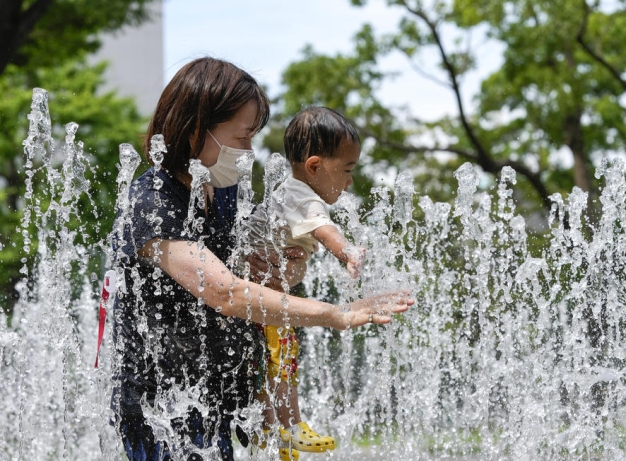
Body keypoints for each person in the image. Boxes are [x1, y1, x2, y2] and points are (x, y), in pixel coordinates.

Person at [109, 56, 413, 461]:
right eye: (241, 137)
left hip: (214, 400)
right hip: (163, 407)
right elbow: (225, 292)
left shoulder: (223, 193)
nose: (250, 150)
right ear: (197, 129)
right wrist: (335, 314)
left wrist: (287, 268)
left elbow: (262, 275)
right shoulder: (151, 202)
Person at [236, 107, 366, 456]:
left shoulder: (290, 192)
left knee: (270, 364)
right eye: (347, 170)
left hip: (257, 299)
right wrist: (348, 253)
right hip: (264, 300)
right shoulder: (302, 196)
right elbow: (327, 232)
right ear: (314, 166)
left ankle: (269, 431)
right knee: (283, 361)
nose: (350, 182)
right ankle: (291, 426)